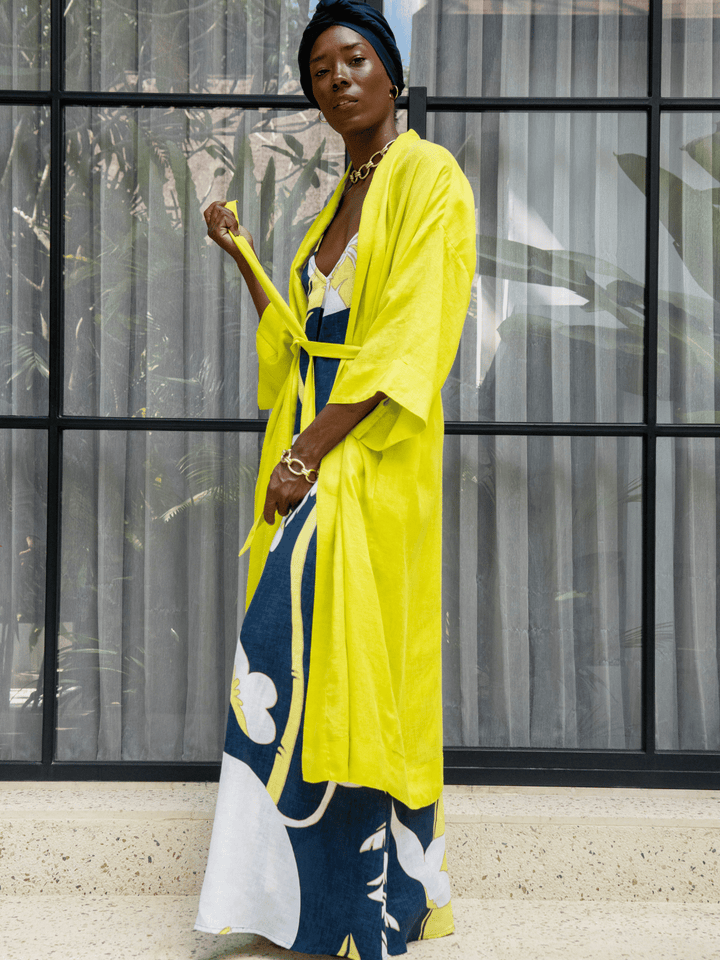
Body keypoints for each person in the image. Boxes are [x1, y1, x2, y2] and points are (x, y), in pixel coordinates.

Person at [195, 1, 476, 956]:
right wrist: (242, 255)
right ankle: (290, 907)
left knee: (340, 669)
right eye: (320, 70)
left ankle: (361, 915)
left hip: (368, 461)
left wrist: (305, 454)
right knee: (294, 670)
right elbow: (301, 336)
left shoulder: (430, 178)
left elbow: (409, 338)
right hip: (314, 453)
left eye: (354, 59)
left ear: (391, 71)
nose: (338, 79)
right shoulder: (338, 198)